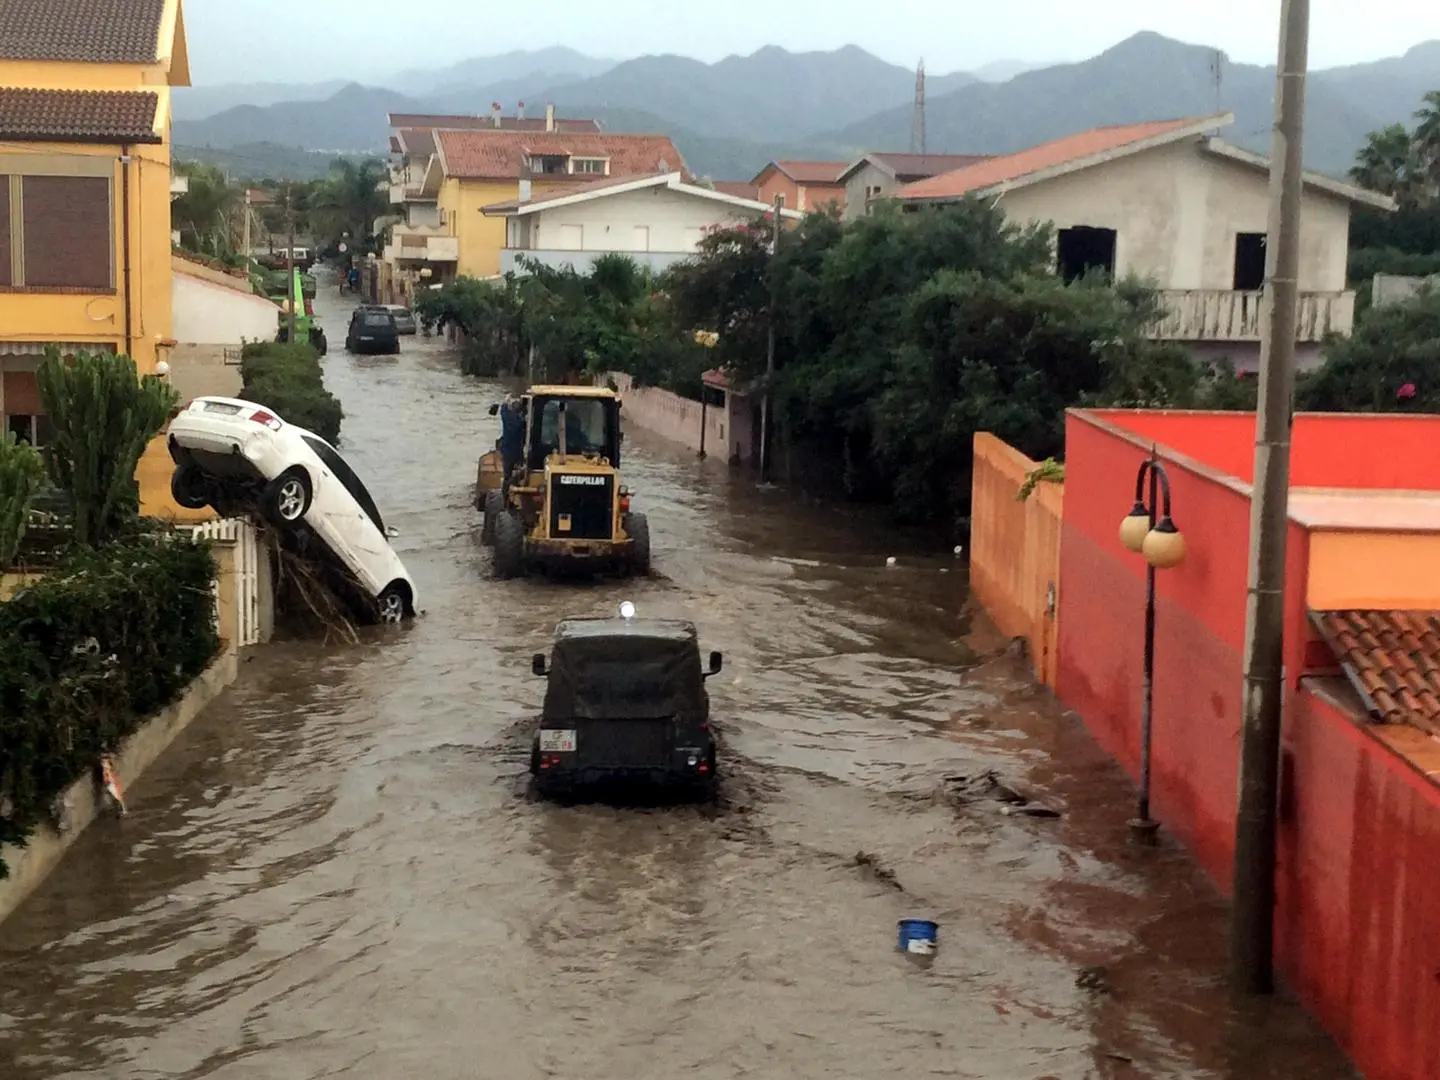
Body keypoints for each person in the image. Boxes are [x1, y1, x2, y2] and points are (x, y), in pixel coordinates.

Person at [498, 395, 525, 493]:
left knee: (507, 474)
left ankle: (505, 493)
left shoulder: (508, 419)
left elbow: (503, 411)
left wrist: (505, 400)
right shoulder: (521, 422)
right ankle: (517, 484)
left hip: (507, 451)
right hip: (518, 452)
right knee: (521, 472)